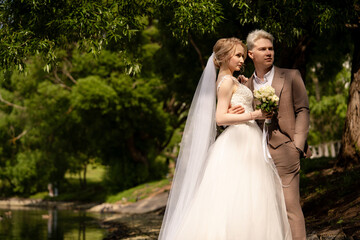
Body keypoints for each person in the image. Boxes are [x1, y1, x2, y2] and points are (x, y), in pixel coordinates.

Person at [158, 37, 292, 240]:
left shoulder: (229, 80)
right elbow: (220, 118)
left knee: (245, 195)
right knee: (242, 194)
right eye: (237, 55)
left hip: (246, 138)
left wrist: (243, 90)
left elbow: (230, 109)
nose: (241, 60)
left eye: (242, 55)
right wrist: (254, 115)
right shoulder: (227, 82)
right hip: (240, 142)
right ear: (223, 57)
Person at [231, 30, 310, 240]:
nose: (268, 53)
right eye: (263, 49)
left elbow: (303, 110)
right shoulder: (244, 87)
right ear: (250, 54)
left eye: (271, 48)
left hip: (286, 150)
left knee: (290, 209)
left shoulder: (291, 76)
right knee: (265, 211)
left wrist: (298, 145)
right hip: (254, 155)